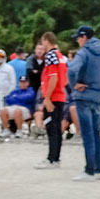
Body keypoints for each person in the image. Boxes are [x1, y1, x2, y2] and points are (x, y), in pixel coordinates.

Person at [68, 25, 100, 181]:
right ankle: (98, 169)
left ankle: (89, 171)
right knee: (96, 133)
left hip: (84, 96)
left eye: (78, 38)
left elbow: (72, 70)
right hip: (98, 97)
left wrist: (75, 84)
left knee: (87, 134)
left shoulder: (84, 53)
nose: (77, 41)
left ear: (84, 37)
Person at [32, 31, 68, 170]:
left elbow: (53, 77)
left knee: (51, 128)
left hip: (53, 97)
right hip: (59, 95)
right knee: (56, 129)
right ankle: (55, 158)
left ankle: (51, 159)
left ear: (45, 40)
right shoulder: (60, 56)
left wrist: (47, 98)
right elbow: (63, 78)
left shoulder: (51, 55)